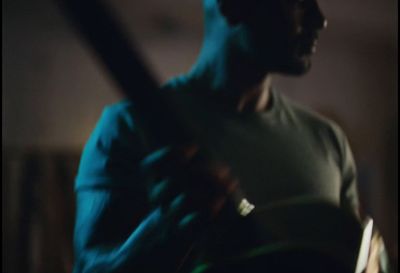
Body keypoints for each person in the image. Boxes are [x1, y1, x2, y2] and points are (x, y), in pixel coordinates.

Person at [72, 0, 362, 272]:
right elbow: (88, 267)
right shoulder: (127, 126)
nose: (320, 20)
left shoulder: (329, 141)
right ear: (231, 4)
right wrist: (161, 232)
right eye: (298, 1)